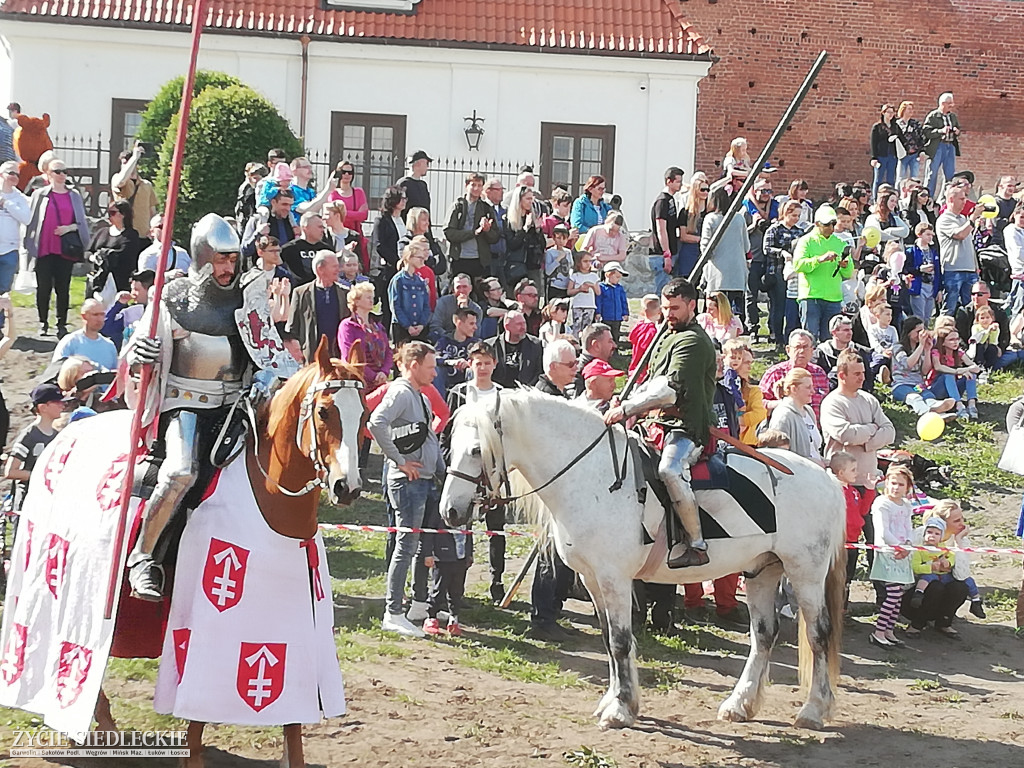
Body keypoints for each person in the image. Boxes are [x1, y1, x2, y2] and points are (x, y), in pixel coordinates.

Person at [119, 214, 256, 599]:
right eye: (221, 260)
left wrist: (266, 372)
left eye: (233, 260)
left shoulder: (246, 300)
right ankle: (144, 558)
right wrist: (141, 352)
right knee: (180, 473)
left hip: (234, 408)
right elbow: (138, 348)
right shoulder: (173, 298)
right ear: (202, 257)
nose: (228, 268)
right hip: (186, 404)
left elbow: (267, 350)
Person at [605, 278, 716, 569]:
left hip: (687, 427)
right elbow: (652, 381)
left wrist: (627, 408)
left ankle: (696, 543)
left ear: (692, 305)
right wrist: (623, 400)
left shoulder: (693, 342)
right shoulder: (666, 336)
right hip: (658, 424)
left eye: (676, 308)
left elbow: (669, 390)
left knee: (670, 470)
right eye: (666, 308)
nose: (670, 314)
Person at [368, 341, 445, 638]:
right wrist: (399, 462)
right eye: (430, 366)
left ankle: (402, 609)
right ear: (413, 365)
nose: (435, 373)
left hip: (423, 481)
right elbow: (377, 423)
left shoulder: (419, 396)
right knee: (405, 547)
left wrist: (442, 474)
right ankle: (393, 612)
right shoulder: (400, 392)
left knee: (410, 547)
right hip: (408, 483)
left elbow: (429, 441)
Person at [444, 341, 505, 602]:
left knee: (497, 529)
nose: (482, 368)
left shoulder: (503, 396)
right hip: (465, 470)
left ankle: (497, 578)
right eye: (477, 363)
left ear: (495, 365)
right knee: (462, 527)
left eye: (487, 363)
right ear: (470, 365)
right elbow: (446, 434)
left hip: (492, 472)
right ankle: (458, 583)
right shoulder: (458, 393)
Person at [529, 338, 578, 640]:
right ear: (553, 367)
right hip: (550, 488)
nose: (576, 369)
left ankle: (551, 611)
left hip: (561, 487)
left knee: (559, 555)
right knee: (550, 554)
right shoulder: (543, 401)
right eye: (571, 364)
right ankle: (543, 617)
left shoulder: (556, 395)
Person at [24, 157, 90, 337]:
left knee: (63, 287)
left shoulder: (74, 195)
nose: (62, 175)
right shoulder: (40, 194)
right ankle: (43, 322)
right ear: (48, 174)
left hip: (64, 248)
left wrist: (68, 228)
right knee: (43, 287)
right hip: (44, 247)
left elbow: (82, 222)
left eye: (64, 171)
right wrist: (28, 243)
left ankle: (62, 323)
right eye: (57, 171)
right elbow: (31, 220)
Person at [868, 465, 916, 648]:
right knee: (893, 593)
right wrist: (897, 546)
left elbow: (909, 527)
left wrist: (908, 546)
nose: (896, 487)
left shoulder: (906, 505)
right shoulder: (881, 503)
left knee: (899, 595)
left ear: (907, 487)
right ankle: (878, 631)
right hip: (888, 552)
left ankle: (889, 630)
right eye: (893, 483)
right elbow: (882, 530)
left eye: (900, 484)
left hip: (903, 553)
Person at [793, 205, 853, 342]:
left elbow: (849, 272)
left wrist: (844, 265)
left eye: (833, 223)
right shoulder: (806, 241)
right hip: (811, 296)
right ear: (817, 224)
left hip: (833, 298)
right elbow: (798, 265)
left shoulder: (840, 243)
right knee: (810, 338)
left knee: (831, 340)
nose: (831, 228)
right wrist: (820, 259)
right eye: (827, 224)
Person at [3, 383, 64, 511]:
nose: (62, 405)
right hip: (27, 501)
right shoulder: (29, 436)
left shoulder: (57, 436)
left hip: (47, 499)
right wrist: (39, 475)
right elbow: (10, 471)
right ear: (43, 407)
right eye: (57, 402)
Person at [419, 493, 472, 637]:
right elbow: (429, 532)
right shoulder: (439, 508)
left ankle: (454, 619)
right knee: (438, 589)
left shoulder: (467, 509)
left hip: (460, 558)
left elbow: (469, 533)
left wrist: (469, 553)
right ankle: (431, 618)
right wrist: (428, 553)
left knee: (457, 590)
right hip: (442, 557)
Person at [285, 250, 350, 360]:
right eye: (334, 266)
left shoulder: (345, 293)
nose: (338, 270)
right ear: (320, 269)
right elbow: (292, 327)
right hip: (312, 356)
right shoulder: (301, 293)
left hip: (339, 355)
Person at [699, 185, 749, 320]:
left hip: (717, 271)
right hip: (737, 271)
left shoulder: (710, 219)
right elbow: (746, 246)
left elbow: (705, 247)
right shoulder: (739, 218)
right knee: (736, 309)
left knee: (714, 308)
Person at [889, 315, 955, 415]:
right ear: (909, 333)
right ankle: (927, 413)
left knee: (929, 397)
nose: (921, 334)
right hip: (901, 384)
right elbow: (907, 364)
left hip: (918, 385)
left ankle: (939, 411)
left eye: (923, 330)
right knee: (915, 398)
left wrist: (927, 350)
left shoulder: (922, 349)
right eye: (918, 331)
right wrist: (920, 346)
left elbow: (925, 371)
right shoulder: (898, 347)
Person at [759, 329, 830, 419]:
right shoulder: (775, 373)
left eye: (805, 347)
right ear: (788, 350)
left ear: (812, 351)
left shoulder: (819, 373)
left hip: (815, 428)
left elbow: (827, 402)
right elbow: (757, 403)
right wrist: (782, 404)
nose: (801, 351)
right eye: (797, 347)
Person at [763, 200, 806, 348]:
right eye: (793, 215)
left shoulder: (799, 232)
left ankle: (792, 335)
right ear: (785, 213)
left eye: (798, 215)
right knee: (778, 305)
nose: (796, 218)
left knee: (792, 306)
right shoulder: (774, 229)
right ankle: (777, 336)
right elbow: (767, 248)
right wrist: (782, 252)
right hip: (777, 271)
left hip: (795, 273)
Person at [338, 281, 392, 394]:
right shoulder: (347, 326)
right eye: (368, 297)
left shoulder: (378, 326)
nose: (371, 300)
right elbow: (350, 356)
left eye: (372, 297)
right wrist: (373, 376)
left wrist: (384, 372)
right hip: (358, 382)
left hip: (380, 382)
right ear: (356, 301)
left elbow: (388, 352)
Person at [936, 181, 981, 316]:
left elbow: (969, 243)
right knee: (949, 307)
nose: (964, 202)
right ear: (951, 199)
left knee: (972, 308)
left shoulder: (963, 218)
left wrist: (975, 266)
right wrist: (973, 218)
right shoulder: (944, 219)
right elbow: (960, 235)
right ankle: (942, 333)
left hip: (970, 269)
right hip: (953, 269)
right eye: (961, 198)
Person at [444, 173, 499, 281]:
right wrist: (473, 233)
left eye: (479, 185)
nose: (476, 188)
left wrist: (487, 230)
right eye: (473, 185)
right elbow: (449, 232)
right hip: (459, 259)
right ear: (466, 186)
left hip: (479, 260)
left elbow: (495, 237)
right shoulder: (457, 206)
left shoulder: (486, 208)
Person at [955, 280, 1022, 369]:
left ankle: (986, 367)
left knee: (1012, 355)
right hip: (972, 351)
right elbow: (959, 336)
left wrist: (1000, 349)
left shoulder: (998, 312)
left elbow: (1005, 335)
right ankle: (982, 367)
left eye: (979, 294)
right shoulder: (964, 312)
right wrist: (967, 353)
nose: (975, 297)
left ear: (988, 295)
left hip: (993, 349)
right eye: (973, 294)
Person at [829, 451, 866, 605]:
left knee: (848, 577)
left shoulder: (854, 491)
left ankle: (843, 608)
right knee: (836, 577)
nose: (856, 473)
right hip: (840, 543)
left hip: (854, 541)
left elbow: (862, 511)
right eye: (853, 470)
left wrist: (869, 490)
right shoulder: (834, 491)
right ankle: (832, 606)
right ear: (841, 472)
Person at [744, 176, 779, 336]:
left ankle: (773, 329)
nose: (767, 194)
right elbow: (741, 233)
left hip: (771, 259)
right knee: (751, 295)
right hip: (753, 259)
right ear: (754, 190)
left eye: (769, 191)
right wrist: (754, 226)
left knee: (774, 296)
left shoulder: (775, 208)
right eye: (763, 191)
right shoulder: (746, 209)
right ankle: (753, 329)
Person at [767, 368, 824, 465]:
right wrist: (809, 462)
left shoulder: (808, 411)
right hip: (797, 476)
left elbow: (813, 450)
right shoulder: (783, 415)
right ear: (794, 389)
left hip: (814, 473)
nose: (813, 391)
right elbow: (779, 455)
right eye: (808, 387)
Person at [926, 326, 980, 420]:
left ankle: (972, 404)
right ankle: (959, 406)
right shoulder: (936, 352)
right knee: (948, 374)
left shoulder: (958, 352)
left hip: (953, 389)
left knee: (971, 375)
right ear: (942, 342)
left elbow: (976, 368)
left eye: (957, 339)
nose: (955, 342)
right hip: (937, 389)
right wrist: (958, 371)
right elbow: (938, 367)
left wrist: (966, 370)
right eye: (951, 339)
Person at [50, 297, 118, 370]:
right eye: (95, 315)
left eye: (102, 314)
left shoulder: (109, 346)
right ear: (84, 316)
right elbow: (56, 370)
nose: (100, 319)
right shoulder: (70, 342)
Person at [110, 141, 159, 241]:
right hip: (124, 235)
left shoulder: (146, 185)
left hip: (143, 236)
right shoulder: (117, 179)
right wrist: (134, 157)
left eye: (129, 163)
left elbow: (152, 212)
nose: (126, 166)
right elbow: (121, 181)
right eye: (124, 164)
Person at [813, 314, 875, 392]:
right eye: (846, 330)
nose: (850, 333)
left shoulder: (858, 351)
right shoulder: (821, 353)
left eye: (850, 329)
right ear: (834, 332)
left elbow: (867, 378)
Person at [388, 239, 432, 345]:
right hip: (401, 328)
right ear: (409, 257)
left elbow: (426, 305)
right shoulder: (398, 280)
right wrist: (407, 326)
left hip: (419, 328)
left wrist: (422, 324)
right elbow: (395, 306)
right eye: (419, 258)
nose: (423, 260)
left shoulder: (420, 281)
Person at [723, 339, 767, 445]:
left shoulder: (754, 391)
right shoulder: (723, 385)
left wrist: (739, 420)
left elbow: (760, 414)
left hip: (748, 444)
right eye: (746, 362)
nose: (750, 367)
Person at [0, 161, 29, 319]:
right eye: (11, 173)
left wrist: (6, 204)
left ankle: (0, 325)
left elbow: (26, 218)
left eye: (17, 174)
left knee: (3, 290)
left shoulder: (19, 198)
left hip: (9, 250)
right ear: (1, 174)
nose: (14, 177)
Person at [503, 186, 547, 289]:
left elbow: (542, 245)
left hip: (532, 265)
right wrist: (525, 229)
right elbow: (513, 244)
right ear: (519, 199)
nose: (531, 202)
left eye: (532, 199)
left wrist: (538, 230)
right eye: (528, 199)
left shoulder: (533, 217)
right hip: (516, 266)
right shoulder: (508, 220)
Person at [650, 167, 685, 294]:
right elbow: (661, 228)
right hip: (661, 254)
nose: (680, 184)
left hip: (671, 250)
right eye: (678, 181)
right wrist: (667, 254)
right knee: (662, 290)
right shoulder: (662, 201)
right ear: (669, 181)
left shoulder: (671, 200)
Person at [488, 309, 543, 389]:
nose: (523, 327)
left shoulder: (536, 345)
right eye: (519, 324)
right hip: (499, 391)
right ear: (507, 326)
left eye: (524, 323)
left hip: (526, 392)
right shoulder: (491, 345)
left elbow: (539, 372)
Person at [241, 186, 296, 265]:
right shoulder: (258, 219)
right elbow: (245, 250)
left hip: (286, 271)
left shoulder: (290, 222)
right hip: (262, 271)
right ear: (273, 202)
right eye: (284, 204)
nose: (288, 209)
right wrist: (258, 233)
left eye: (290, 205)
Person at [103, 268, 154, 350]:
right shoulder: (132, 312)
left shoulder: (164, 312)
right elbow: (105, 329)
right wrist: (118, 305)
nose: (132, 293)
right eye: (132, 289)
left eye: (136, 290)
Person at [433, 307, 478, 398]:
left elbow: (481, 361)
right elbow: (434, 358)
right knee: (437, 369)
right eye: (471, 324)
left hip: (465, 382)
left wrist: (468, 363)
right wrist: (450, 362)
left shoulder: (475, 344)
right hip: (446, 381)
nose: (475, 327)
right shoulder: (443, 341)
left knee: (472, 370)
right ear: (459, 323)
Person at [923, 93, 961, 196]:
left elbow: (958, 127)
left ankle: (946, 198)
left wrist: (957, 131)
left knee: (950, 175)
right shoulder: (933, 115)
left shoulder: (952, 116)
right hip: (937, 146)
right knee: (932, 174)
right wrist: (940, 131)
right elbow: (926, 132)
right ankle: (928, 197)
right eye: (949, 103)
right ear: (942, 103)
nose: (951, 105)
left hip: (950, 146)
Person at [904, 222, 941, 321]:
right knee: (919, 317)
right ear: (919, 234)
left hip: (932, 286)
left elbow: (938, 271)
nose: (930, 237)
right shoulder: (911, 251)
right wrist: (919, 269)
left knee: (928, 317)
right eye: (927, 234)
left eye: (932, 235)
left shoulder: (933, 250)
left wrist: (939, 289)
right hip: (919, 286)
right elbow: (906, 269)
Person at [428, 273, 482, 341]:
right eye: (458, 287)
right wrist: (452, 339)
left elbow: (476, 333)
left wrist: (465, 310)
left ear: (470, 288)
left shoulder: (476, 309)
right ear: (453, 290)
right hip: (444, 340)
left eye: (464, 286)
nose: (461, 290)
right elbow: (435, 326)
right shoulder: (443, 302)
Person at [677, 173, 710, 278]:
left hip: (706, 252)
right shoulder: (685, 212)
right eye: (703, 190)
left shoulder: (710, 212)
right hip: (690, 252)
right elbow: (683, 236)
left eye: (707, 190)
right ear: (696, 191)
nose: (706, 192)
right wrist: (701, 239)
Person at [324, 200, 367, 275]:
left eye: (327, 214)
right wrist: (343, 251)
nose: (323, 218)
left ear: (337, 216)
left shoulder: (353, 236)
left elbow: (360, 262)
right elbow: (324, 260)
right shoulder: (324, 236)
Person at [327, 160, 369, 232]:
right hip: (337, 233)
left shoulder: (359, 192)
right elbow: (333, 215)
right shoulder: (333, 193)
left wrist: (342, 212)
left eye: (350, 172)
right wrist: (355, 214)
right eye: (344, 172)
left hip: (355, 233)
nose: (347, 174)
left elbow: (364, 215)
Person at [567, 250, 601, 335]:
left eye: (590, 261)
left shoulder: (594, 276)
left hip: (590, 306)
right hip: (577, 305)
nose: (588, 263)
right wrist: (579, 289)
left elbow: (598, 292)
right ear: (579, 262)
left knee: (587, 328)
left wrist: (592, 286)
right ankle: (576, 343)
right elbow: (569, 292)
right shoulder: (575, 276)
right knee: (577, 326)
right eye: (585, 261)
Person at [628, 294, 662, 377]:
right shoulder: (652, 331)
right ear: (660, 311)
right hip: (645, 371)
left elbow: (631, 338)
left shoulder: (639, 325)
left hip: (634, 367)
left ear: (642, 311)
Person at [595, 262, 629, 345]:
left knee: (616, 333)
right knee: (605, 333)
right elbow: (598, 300)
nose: (618, 280)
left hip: (617, 317)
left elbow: (623, 301)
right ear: (607, 275)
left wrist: (625, 313)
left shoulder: (619, 288)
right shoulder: (601, 287)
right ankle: (606, 347)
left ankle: (615, 348)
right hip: (606, 316)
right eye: (617, 277)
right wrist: (598, 312)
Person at [894, 101, 925, 183]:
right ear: (903, 110)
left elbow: (921, 137)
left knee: (914, 176)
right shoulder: (897, 124)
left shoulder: (915, 124)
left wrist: (921, 151)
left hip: (914, 154)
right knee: (900, 177)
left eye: (912, 109)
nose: (911, 111)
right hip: (902, 154)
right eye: (909, 109)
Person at [867, 304, 899, 384]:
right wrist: (883, 352)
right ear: (878, 316)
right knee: (878, 360)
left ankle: (891, 377)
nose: (890, 317)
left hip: (891, 354)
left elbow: (896, 343)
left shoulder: (892, 329)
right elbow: (874, 344)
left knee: (897, 359)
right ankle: (877, 375)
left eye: (891, 315)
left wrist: (891, 350)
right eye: (887, 314)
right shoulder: (872, 329)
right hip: (879, 353)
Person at [234, 161, 266, 235]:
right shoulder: (247, 188)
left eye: (256, 178)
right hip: (247, 220)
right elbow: (243, 205)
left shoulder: (264, 188)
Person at [1004, 202, 1024, 318]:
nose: (1023, 220)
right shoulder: (1011, 230)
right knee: (1018, 308)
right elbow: (1019, 253)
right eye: (1021, 217)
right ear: (1015, 215)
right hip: (1020, 274)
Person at [544, 224, 573, 300]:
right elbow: (548, 271)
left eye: (564, 238)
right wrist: (558, 259)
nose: (561, 241)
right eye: (558, 238)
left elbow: (571, 267)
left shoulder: (568, 252)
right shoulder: (550, 252)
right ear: (554, 238)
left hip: (566, 286)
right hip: (554, 286)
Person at [969, 304, 1002, 370]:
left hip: (988, 346)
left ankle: (990, 367)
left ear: (992, 318)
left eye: (987, 317)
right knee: (980, 347)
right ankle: (979, 365)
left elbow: (993, 341)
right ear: (977, 319)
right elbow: (980, 340)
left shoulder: (994, 327)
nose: (985, 320)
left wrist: (993, 331)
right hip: (978, 346)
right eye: (982, 318)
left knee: (993, 348)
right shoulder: (976, 327)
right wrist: (987, 331)